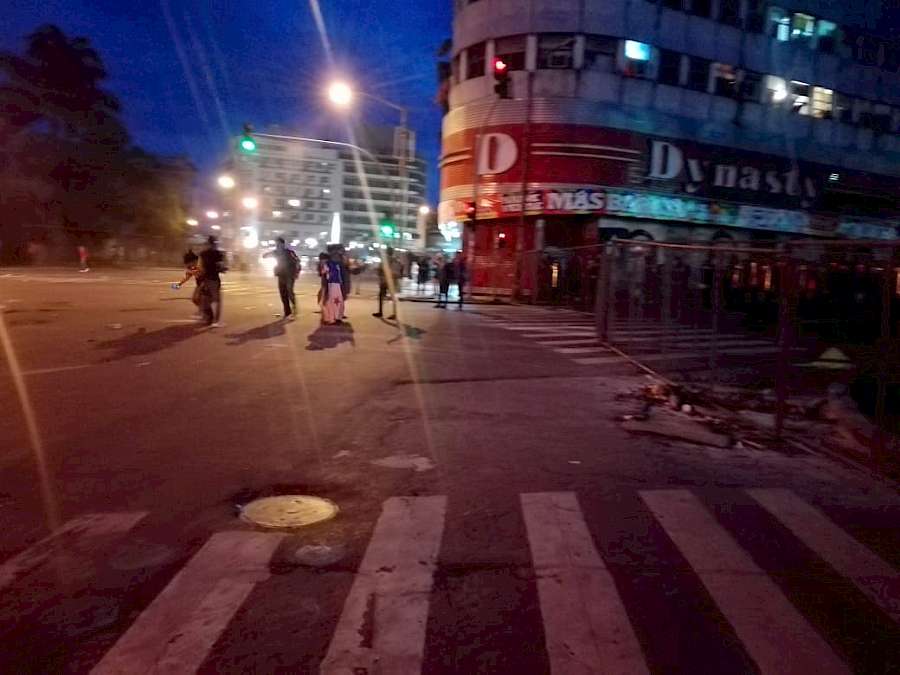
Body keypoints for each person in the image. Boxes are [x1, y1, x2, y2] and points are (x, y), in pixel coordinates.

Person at [263, 238, 301, 319]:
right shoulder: (276, 252)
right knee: (283, 293)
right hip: (281, 275)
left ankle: (294, 307)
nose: (278, 246)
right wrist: (266, 255)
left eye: (279, 244)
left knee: (289, 292)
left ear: (283, 244)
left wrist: (297, 272)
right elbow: (265, 256)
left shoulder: (289, 252)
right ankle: (287, 312)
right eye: (277, 245)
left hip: (289, 275)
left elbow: (297, 261)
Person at [198, 236, 226, 327]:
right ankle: (215, 320)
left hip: (205, 279)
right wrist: (223, 269)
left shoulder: (203, 254)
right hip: (214, 279)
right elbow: (221, 266)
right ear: (215, 243)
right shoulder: (218, 254)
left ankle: (209, 317)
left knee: (206, 298)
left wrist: (201, 276)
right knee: (216, 300)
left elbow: (200, 266)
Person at [373, 247, 399, 320]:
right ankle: (394, 314)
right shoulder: (395, 260)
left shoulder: (385, 259)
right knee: (393, 298)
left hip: (385, 280)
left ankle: (380, 312)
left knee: (381, 296)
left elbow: (380, 269)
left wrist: (379, 273)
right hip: (392, 281)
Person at [321, 250, 345, 325]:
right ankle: (338, 317)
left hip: (331, 284)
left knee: (331, 301)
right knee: (338, 301)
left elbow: (323, 272)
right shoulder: (340, 264)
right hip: (338, 284)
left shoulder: (328, 264)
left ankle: (331, 319)